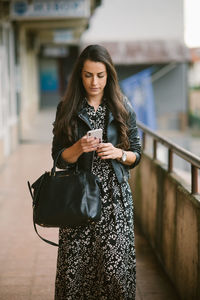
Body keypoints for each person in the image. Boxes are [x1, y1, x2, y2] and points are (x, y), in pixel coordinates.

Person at [52, 44, 141, 300]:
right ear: (80, 75)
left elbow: (136, 153)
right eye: (88, 75)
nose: (94, 82)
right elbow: (58, 157)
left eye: (100, 75)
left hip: (115, 202)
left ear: (109, 75)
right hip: (78, 199)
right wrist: (78, 148)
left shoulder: (122, 107)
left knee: (116, 272)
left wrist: (119, 154)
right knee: (76, 273)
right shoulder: (67, 108)